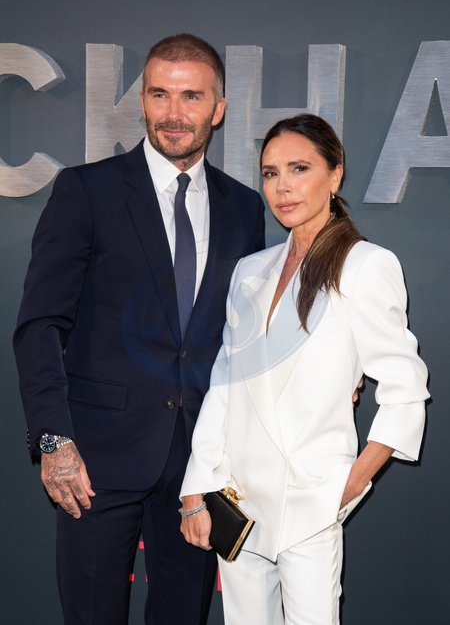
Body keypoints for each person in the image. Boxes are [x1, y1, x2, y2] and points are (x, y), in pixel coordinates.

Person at [13, 33, 265, 625]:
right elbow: (40, 324)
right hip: (94, 460)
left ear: (218, 109)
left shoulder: (244, 206)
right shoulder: (87, 190)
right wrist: (53, 441)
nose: (173, 113)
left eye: (191, 97)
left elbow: (246, 331)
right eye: (159, 94)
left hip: (199, 465)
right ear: (144, 101)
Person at [180, 113, 429, 624]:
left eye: (299, 168)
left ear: (335, 174)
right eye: (270, 173)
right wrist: (195, 488)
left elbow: (405, 387)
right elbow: (225, 384)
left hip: (310, 501)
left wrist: (348, 484)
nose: (283, 187)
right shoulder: (251, 271)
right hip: (238, 502)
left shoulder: (365, 265)